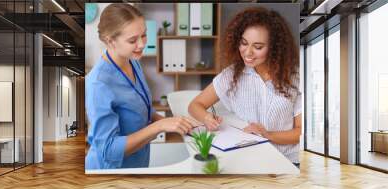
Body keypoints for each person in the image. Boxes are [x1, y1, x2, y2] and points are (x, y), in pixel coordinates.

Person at [188, 7, 302, 167]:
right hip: (246, 161)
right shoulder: (231, 75)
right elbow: (195, 105)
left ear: (275, 48)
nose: (247, 52)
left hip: (288, 162)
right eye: (243, 43)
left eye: (258, 47)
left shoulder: (295, 77)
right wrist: (206, 118)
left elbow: (300, 132)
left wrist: (267, 134)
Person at [85, 3, 194, 169]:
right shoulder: (98, 84)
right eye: (132, 40)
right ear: (110, 41)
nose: (142, 44)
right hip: (110, 172)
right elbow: (109, 150)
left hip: (138, 162)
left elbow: (142, 109)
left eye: (144, 35)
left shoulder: (132, 62)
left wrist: (173, 123)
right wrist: (159, 127)